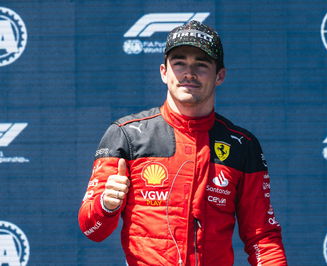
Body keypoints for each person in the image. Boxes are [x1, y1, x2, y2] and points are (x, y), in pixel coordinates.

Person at [78, 20, 287, 265]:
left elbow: (262, 238)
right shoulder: (126, 135)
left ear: (220, 75)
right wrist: (107, 205)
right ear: (164, 72)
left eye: (201, 64)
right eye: (179, 63)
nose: (189, 73)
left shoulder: (242, 145)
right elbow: (92, 229)